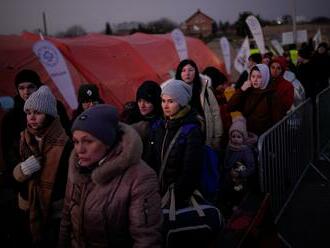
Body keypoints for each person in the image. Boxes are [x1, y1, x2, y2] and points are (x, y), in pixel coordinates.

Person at [58, 104, 162, 248]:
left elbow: (146, 240)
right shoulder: (78, 168)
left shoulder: (140, 178)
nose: (79, 150)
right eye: (76, 141)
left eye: (88, 141)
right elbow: (66, 220)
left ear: (107, 142)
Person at [12, 86, 72, 247]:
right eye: (28, 112)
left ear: (49, 115)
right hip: (26, 206)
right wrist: (22, 170)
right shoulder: (22, 139)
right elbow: (9, 178)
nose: (31, 117)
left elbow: (68, 180)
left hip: (55, 212)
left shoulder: (66, 144)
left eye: (37, 113)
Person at [1, 69, 70, 189]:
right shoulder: (11, 116)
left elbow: (67, 136)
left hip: (56, 173)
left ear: (38, 86)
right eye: (21, 88)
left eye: (30, 87)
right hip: (26, 178)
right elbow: (8, 149)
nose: (26, 92)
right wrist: (20, 169)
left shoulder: (55, 107)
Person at [146, 79, 204, 206]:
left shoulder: (191, 130)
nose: (165, 106)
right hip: (156, 192)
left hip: (175, 198)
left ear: (182, 103)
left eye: (171, 101)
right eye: (163, 101)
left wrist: (175, 195)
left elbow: (190, 171)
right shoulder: (159, 126)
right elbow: (150, 160)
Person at [175, 59, 223, 150]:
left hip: (204, 136)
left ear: (196, 72)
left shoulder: (205, 91)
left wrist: (217, 137)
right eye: (183, 70)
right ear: (179, 73)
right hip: (182, 138)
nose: (187, 73)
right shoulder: (174, 93)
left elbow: (215, 114)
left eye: (190, 70)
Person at [228, 64, 285, 136]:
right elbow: (230, 107)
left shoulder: (272, 95)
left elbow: (278, 122)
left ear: (265, 77)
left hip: (263, 138)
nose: (255, 80)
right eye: (253, 76)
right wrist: (241, 90)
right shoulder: (247, 91)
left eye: (259, 77)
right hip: (246, 136)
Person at [224, 116, 257, 192]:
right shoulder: (229, 147)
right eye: (233, 136)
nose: (235, 139)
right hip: (230, 175)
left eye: (239, 137)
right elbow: (226, 161)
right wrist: (229, 171)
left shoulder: (246, 150)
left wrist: (240, 174)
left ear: (243, 138)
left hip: (242, 178)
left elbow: (251, 167)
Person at [132, 80, 162, 161]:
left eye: (147, 101)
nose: (142, 105)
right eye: (139, 101)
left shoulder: (162, 124)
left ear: (156, 102)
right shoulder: (131, 118)